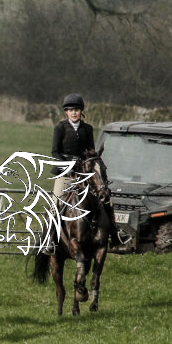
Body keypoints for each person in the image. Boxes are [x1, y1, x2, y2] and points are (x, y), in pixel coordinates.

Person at [51, 93, 123, 245]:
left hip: (84, 173)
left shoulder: (88, 129)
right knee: (55, 204)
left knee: (105, 200)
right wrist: (67, 166)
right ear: (66, 112)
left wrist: (90, 164)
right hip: (65, 174)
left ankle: (115, 233)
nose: (74, 113)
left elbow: (91, 151)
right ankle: (50, 241)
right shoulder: (60, 128)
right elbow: (55, 152)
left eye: (77, 110)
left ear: (81, 111)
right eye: (71, 110)